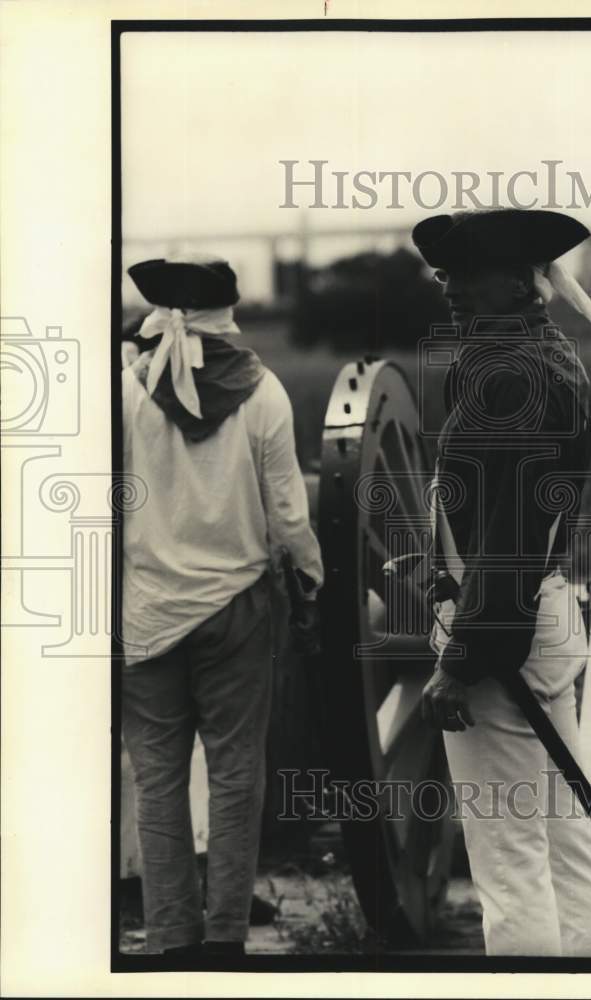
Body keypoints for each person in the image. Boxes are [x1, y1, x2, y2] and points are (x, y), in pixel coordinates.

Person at [413, 210, 591, 957]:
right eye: (445, 276)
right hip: (540, 613)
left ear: (516, 284)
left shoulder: (504, 371)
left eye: (464, 276)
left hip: (503, 630)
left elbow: (507, 539)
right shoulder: (546, 354)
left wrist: (460, 660)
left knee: (508, 862)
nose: (450, 289)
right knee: (567, 847)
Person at [121, 252, 323, 961]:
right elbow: (289, 515)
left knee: (157, 780)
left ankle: (171, 935)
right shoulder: (263, 391)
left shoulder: (121, 389)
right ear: (227, 314)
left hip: (143, 611)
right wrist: (309, 583)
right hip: (237, 607)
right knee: (237, 777)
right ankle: (226, 938)